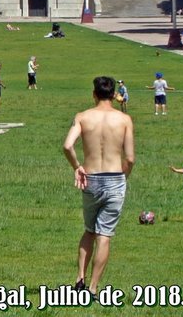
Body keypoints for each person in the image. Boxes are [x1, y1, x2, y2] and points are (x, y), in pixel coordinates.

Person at [62, 76, 134, 295]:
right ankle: (92, 288)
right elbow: (130, 159)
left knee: (89, 230)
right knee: (105, 235)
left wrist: (77, 166)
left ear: (94, 94)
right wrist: (124, 177)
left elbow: (67, 145)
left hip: (91, 178)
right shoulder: (124, 119)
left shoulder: (83, 117)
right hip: (114, 178)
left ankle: (79, 278)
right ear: (113, 95)